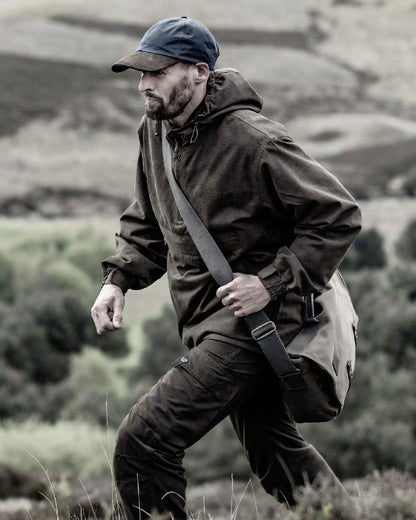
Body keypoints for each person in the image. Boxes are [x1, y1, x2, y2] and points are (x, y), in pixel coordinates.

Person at [91, 16, 361, 520]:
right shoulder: (155, 130)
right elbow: (150, 218)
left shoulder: (254, 140)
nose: (145, 84)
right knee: (277, 456)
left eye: (158, 72)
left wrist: (270, 282)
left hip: (254, 328)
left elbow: (338, 215)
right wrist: (118, 280)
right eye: (140, 73)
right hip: (205, 323)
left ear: (198, 71)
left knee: (144, 440)